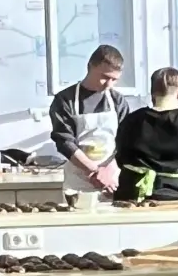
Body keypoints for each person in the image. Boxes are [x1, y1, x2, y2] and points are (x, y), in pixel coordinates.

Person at [112, 67, 178, 202]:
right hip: (168, 198)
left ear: (152, 92)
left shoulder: (130, 121)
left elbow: (120, 157)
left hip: (128, 197)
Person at [50, 45, 130, 197]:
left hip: (111, 180)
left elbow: (126, 141)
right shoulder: (65, 100)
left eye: (114, 79)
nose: (109, 84)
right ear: (90, 66)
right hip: (78, 183)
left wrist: (108, 171)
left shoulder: (117, 100)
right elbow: (65, 143)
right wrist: (94, 171)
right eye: (105, 77)